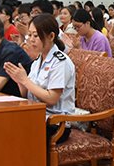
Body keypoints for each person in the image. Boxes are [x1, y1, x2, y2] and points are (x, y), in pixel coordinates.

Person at [4, 13, 75, 144]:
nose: (31, 40)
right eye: (29, 35)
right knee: (2, 122)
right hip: (36, 115)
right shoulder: (38, 61)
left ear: (51, 36)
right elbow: (27, 94)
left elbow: (52, 98)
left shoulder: (60, 62)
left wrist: (25, 80)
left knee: (14, 133)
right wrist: (19, 80)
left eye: (36, 36)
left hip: (56, 124)